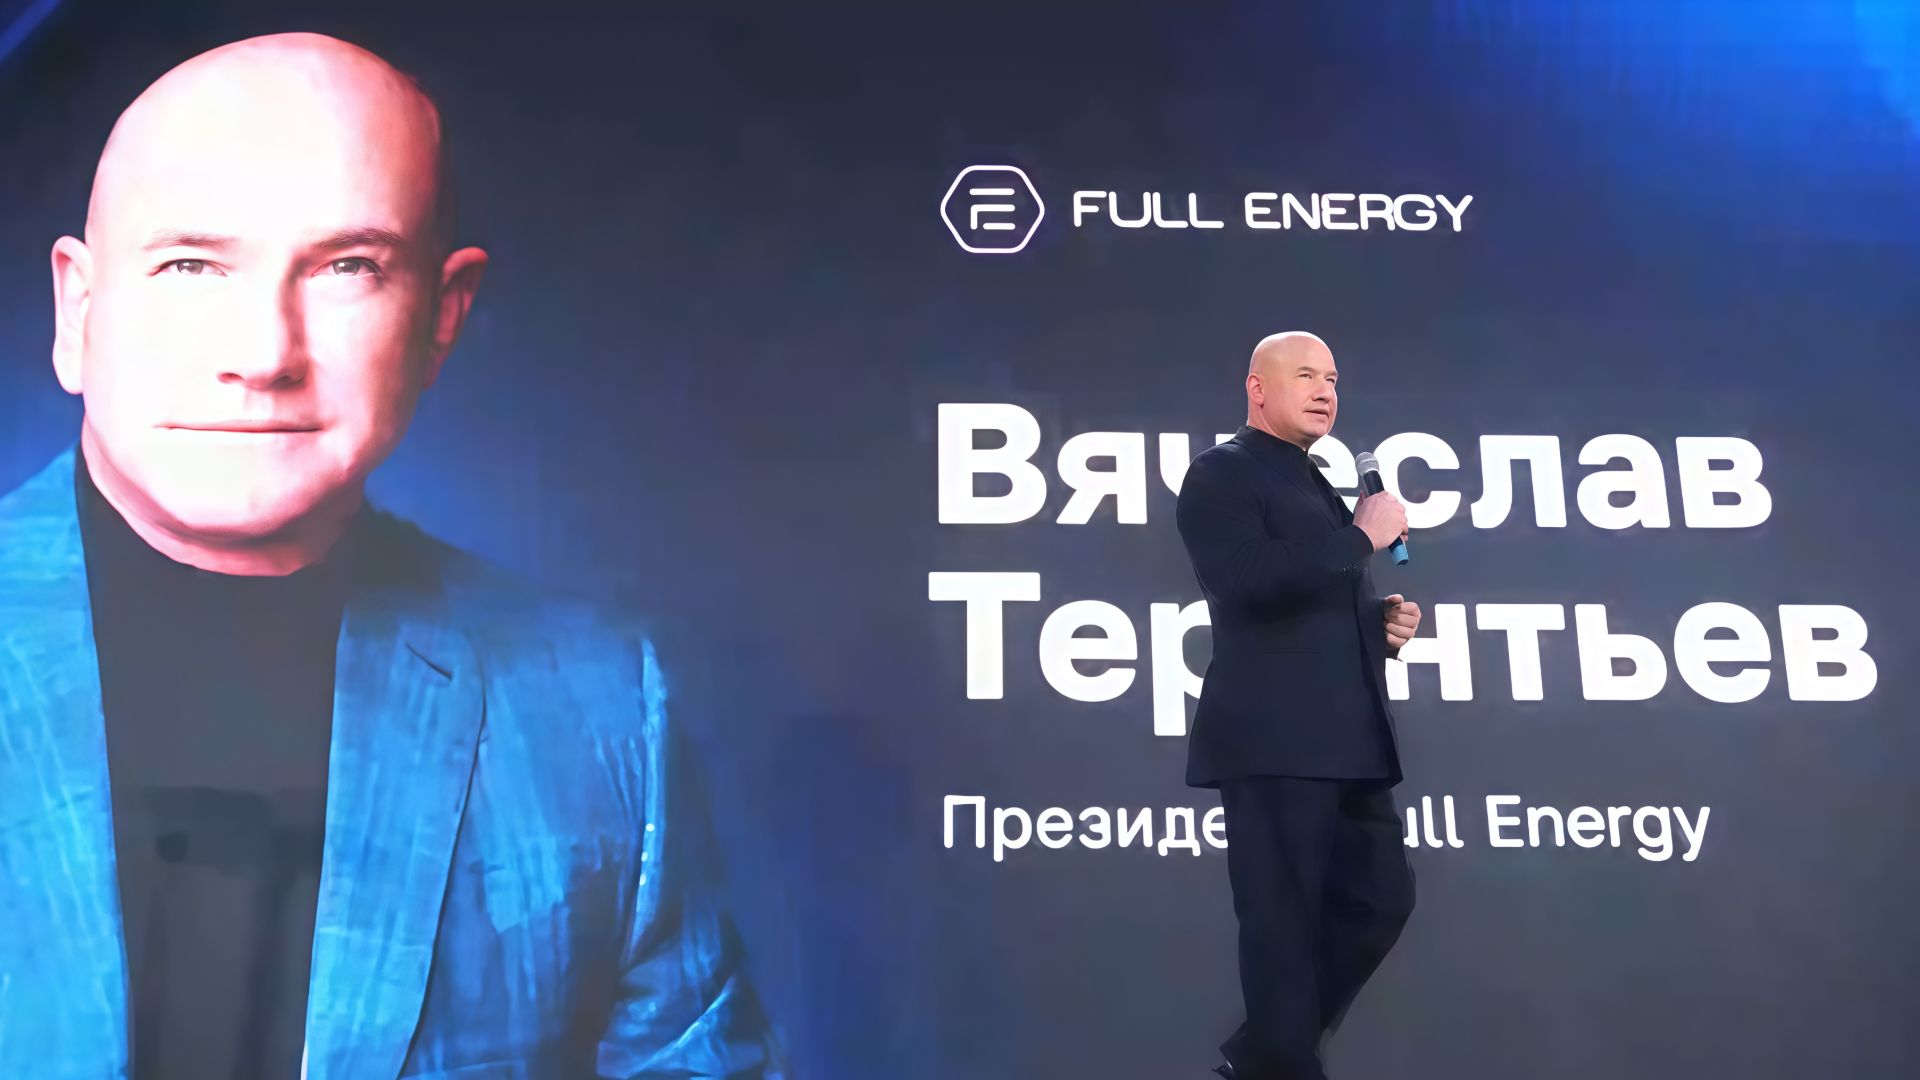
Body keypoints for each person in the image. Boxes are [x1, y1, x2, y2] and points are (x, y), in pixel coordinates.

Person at [0, 32, 777, 1079]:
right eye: (192, 265)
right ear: (77, 309)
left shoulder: (598, 711)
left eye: (346, 268)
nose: (263, 354)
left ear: (441, 319)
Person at [1175, 331, 1423, 1080]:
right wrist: (1361, 537)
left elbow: (1306, 605)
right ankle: (1279, 1066)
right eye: (1306, 375)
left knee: (1381, 899)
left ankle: (1263, 1058)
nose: (1324, 391)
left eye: (1333, 379)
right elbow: (1245, 581)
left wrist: (1378, 627)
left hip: (1348, 741)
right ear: (1257, 388)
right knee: (1280, 926)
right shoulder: (1222, 472)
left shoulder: (1314, 481)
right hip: (1274, 739)